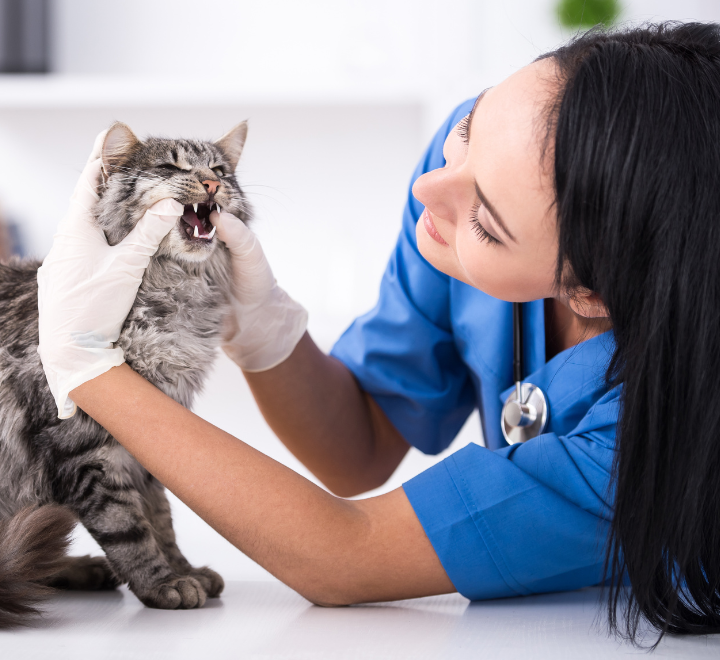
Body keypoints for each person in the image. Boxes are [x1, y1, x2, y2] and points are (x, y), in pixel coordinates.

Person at [37, 23, 720, 641]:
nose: (432, 188)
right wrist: (261, 327)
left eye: (484, 218)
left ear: (589, 291)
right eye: (469, 132)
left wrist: (87, 367)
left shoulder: (657, 421)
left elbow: (344, 555)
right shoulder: (490, 169)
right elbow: (356, 445)